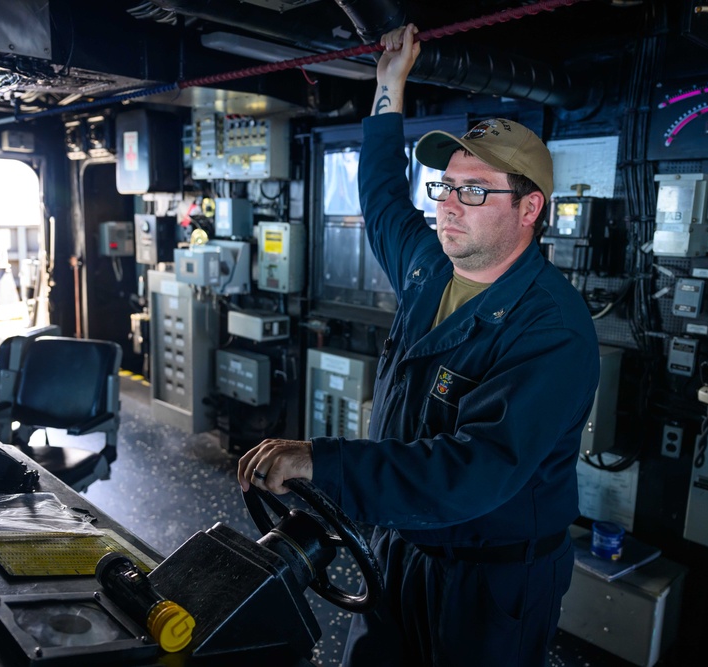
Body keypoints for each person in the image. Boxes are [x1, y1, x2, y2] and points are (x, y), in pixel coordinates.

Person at [238, 23, 600, 667]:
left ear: (529, 208)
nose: (447, 207)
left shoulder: (552, 330)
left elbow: (474, 471)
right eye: (444, 187)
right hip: (399, 547)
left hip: (489, 581)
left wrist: (327, 463)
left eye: (473, 190)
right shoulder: (430, 267)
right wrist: (388, 86)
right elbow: (380, 196)